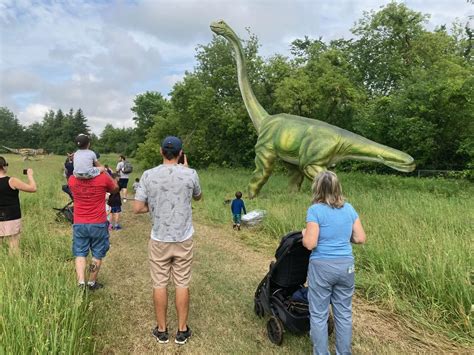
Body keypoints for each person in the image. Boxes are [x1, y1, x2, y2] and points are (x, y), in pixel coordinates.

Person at [134, 136, 201, 345]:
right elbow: (198, 196)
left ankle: (162, 330)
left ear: (161, 151)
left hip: (159, 239)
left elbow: (137, 208)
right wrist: (187, 170)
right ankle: (182, 330)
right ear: (181, 154)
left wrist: (154, 207)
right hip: (183, 238)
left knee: (159, 283)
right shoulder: (191, 174)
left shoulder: (148, 175)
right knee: (182, 282)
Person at [302, 171, 366, 355]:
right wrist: (342, 237)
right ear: (337, 187)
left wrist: (304, 234)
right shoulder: (349, 209)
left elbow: (310, 244)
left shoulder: (315, 210)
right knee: (344, 313)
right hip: (346, 266)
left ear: (317, 188)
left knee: (319, 314)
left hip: (322, 266)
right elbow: (360, 238)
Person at [68, 165, 118, 290]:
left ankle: (80, 283)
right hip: (98, 222)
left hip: (80, 221)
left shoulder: (72, 179)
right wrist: (103, 170)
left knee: (80, 253)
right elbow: (115, 188)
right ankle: (91, 282)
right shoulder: (102, 178)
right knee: (97, 254)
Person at [0, 157, 37, 254]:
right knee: (13, 242)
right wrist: (30, 175)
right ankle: (13, 264)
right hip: (11, 215)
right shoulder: (12, 181)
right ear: (4, 167)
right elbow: (33, 188)